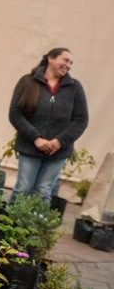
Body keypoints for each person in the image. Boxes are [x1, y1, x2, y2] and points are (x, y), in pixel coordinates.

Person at [8, 47, 89, 202]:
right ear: (50, 59)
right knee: (23, 188)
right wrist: (36, 138)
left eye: (71, 62)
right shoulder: (27, 82)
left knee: (43, 191)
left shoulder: (75, 87)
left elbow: (81, 120)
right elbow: (15, 114)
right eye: (65, 60)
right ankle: (8, 224)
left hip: (58, 151)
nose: (69, 65)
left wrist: (59, 141)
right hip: (30, 146)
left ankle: (34, 226)